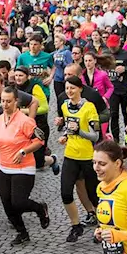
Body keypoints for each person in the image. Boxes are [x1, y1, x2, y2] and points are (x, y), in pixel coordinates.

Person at [0, 85, 49, 246]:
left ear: (16, 102)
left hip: (23, 167)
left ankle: (39, 209)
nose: (5, 104)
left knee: (19, 202)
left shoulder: (25, 121)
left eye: (8, 101)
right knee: (7, 204)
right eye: (2, 101)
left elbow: (40, 141)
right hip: (3, 166)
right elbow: (0, 143)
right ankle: (22, 233)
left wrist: (23, 151)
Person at [55, 74, 101, 241]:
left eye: (72, 88)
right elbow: (69, 128)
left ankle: (102, 226)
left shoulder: (89, 107)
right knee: (65, 192)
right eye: (67, 88)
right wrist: (65, 135)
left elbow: (95, 136)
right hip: (70, 155)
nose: (69, 91)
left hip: (87, 157)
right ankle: (76, 225)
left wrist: (79, 132)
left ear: (80, 89)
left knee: (93, 194)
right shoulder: (65, 106)